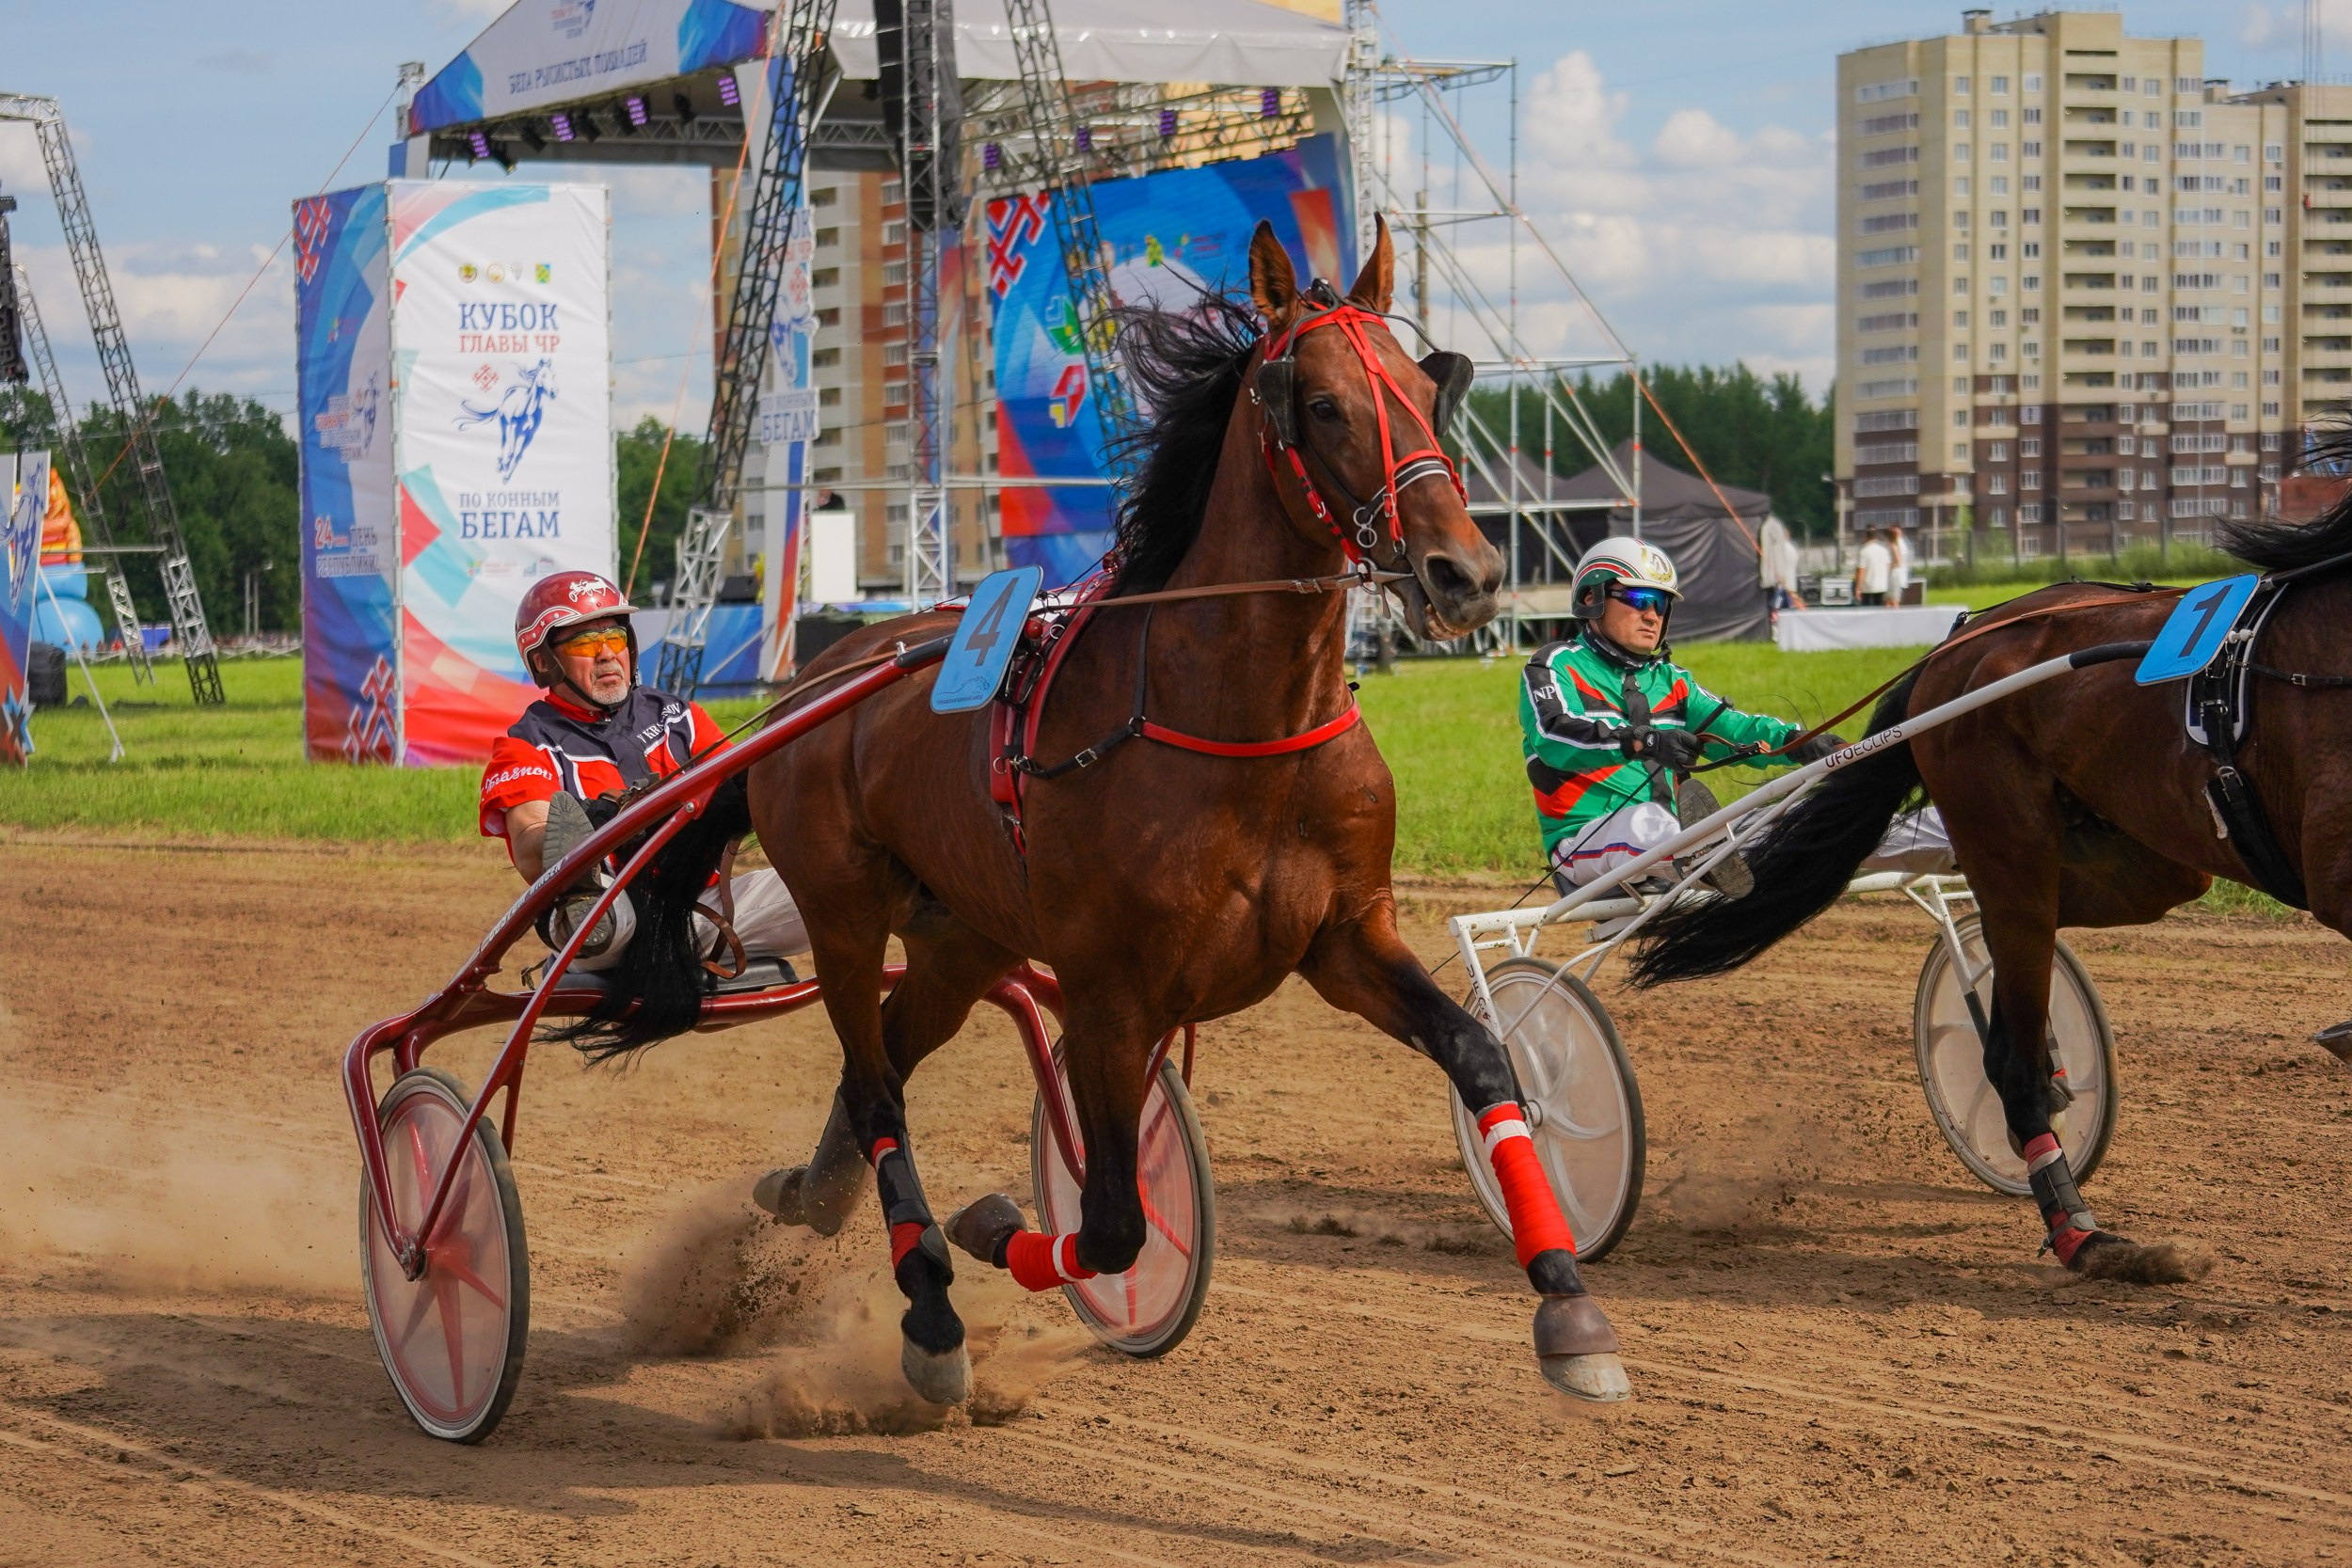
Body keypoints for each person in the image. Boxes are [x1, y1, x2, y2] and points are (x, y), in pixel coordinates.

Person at [478, 569, 809, 974]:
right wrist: (601, 819)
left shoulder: (679, 717)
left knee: (834, 881)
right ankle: (614, 931)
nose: (606, 654)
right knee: (599, 911)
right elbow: (532, 842)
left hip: (703, 912)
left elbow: (756, 789)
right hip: (612, 922)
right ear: (545, 661)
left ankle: (675, 948)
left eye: (614, 638)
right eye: (585, 642)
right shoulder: (524, 745)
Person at [1520, 539, 1844, 900]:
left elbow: (1736, 729)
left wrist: (1800, 743)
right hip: (1586, 842)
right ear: (1591, 598)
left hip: (1673, 838)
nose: (1652, 615)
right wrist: (1646, 741)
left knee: (1806, 818)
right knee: (1648, 822)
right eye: (1639, 599)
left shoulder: (1672, 680)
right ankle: (1706, 861)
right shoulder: (1555, 665)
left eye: (1660, 603)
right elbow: (1554, 735)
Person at [1757, 513, 1803, 616]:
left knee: (1777, 610)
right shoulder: (1793, 549)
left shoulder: (1783, 549)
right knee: (1789, 611)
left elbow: (1778, 562)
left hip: (1782, 587)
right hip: (1791, 586)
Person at [1854, 528, 1894, 608]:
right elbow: (1889, 567)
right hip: (1882, 586)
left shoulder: (1864, 551)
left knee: (1868, 612)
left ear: (1866, 537)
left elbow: (1861, 570)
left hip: (1868, 588)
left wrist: (1858, 588)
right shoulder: (1884, 550)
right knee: (1880, 610)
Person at [1887, 523, 1913, 605]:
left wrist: (1889, 568)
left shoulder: (1898, 544)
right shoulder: (1900, 543)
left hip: (1896, 575)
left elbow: (1898, 561)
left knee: (1894, 599)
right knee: (1891, 599)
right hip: (1899, 575)